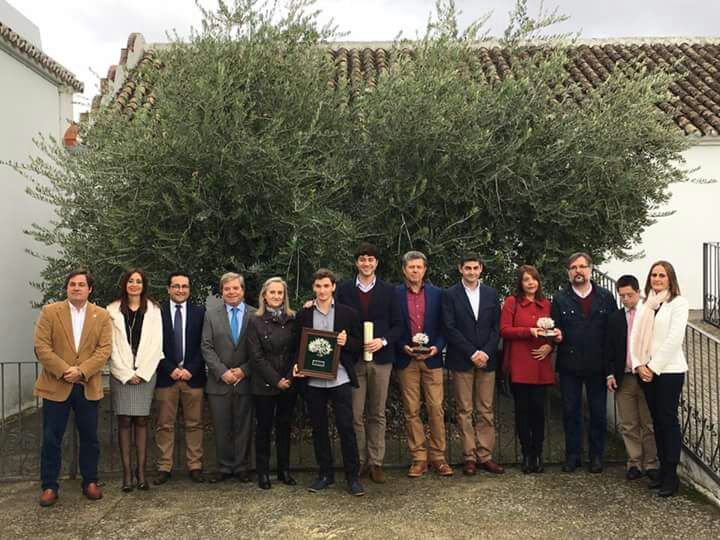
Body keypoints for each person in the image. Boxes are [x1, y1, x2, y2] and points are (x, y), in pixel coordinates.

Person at [33, 269, 112, 506]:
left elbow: (104, 349)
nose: (76, 288)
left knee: (90, 438)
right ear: (67, 288)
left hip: (87, 385)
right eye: (72, 284)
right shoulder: (50, 312)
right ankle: (49, 485)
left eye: (81, 284)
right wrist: (65, 370)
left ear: (90, 289)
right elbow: (41, 346)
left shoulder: (102, 315)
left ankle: (90, 482)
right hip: (56, 384)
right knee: (51, 438)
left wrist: (82, 371)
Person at [335, 242, 402, 484]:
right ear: (357, 263)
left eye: (370, 260)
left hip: (381, 359)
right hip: (353, 360)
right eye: (362, 259)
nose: (366, 263)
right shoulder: (343, 290)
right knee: (355, 414)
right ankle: (359, 460)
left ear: (376, 263)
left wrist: (382, 341)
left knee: (377, 413)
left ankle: (376, 462)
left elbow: (399, 325)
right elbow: (333, 314)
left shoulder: (389, 290)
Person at [296, 268, 365, 496]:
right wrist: (296, 365)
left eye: (326, 286)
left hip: (340, 378)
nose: (322, 290)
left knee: (346, 427)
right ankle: (325, 474)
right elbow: (297, 345)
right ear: (313, 288)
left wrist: (346, 342)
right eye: (318, 286)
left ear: (333, 287)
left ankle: (352, 477)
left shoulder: (348, 313)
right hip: (314, 381)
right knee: (319, 428)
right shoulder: (304, 314)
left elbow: (359, 345)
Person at [551, 252, 616, 473]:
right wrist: (556, 336)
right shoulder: (560, 298)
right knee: (570, 411)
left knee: (598, 412)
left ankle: (596, 456)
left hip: (598, 365)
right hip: (570, 365)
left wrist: (611, 367)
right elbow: (555, 328)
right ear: (568, 272)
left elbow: (612, 333)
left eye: (582, 266)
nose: (578, 271)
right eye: (573, 268)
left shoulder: (606, 297)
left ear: (590, 269)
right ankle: (573, 455)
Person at [442, 253, 504, 476]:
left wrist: (485, 352)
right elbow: (449, 327)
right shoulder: (450, 294)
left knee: (485, 409)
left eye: (475, 268)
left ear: (481, 269)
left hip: (487, 360)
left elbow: (496, 327)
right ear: (460, 269)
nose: (471, 272)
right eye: (467, 268)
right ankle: (469, 456)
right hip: (462, 359)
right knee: (464, 410)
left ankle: (485, 455)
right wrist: (471, 352)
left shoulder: (491, 294)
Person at [632, 261, 688, 497]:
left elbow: (674, 339)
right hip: (646, 371)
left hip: (669, 371)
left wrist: (653, 367)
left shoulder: (678, 303)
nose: (657, 279)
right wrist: (638, 364)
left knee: (668, 421)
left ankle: (671, 475)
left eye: (661, 275)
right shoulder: (645, 304)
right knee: (657, 422)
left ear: (670, 279)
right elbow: (635, 336)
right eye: (653, 275)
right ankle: (663, 471)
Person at [394, 250, 452, 477]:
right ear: (404, 270)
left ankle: (438, 457)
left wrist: (437, 347)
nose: (415, 271)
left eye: (419, 267)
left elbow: (445, 326)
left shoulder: (438, 294)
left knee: (436, 408)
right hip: (406, 359)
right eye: (411, 267)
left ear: (425, 270)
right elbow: (392, 324)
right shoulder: (395, 294)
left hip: (433, 359)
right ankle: (418, 458)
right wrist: (402, 346)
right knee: (411, 410)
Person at [108, 268, 164, 492]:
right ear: (125, 284)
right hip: (120, 374)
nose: (134, 284)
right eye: (130, 281)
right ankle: (127, 474)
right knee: (124, 421)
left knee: (141, 420)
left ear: (144, 285)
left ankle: (141, 472)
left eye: (138, 281)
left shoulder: (154, 310)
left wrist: (141, 373)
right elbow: (110, 346)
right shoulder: (111, 310)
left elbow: (157, 344)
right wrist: (125, 373)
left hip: (145, 373)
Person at [499, 265, 560, 474]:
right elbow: (504, 330)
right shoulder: (511, 302)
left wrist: (550, 345)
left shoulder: (547, 304)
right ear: (520, 283)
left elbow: (555, 331)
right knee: (523, 412)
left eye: (534, 279)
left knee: (539, 412)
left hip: (541, 364)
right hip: (519, 365)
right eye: (526, 279)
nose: (531, 283)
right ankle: (526, 454)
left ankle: (538, 454)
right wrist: (529, 331)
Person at [153, 272, 207, 485]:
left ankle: (195, 466)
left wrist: (190, 369)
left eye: (184, 286)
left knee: (195, 424)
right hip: (167, 377)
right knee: (164, 425)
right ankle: (164, 467)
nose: (180, 290)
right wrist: (170, 368)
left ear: (189, 290)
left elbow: (205, 344)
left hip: (193, 378)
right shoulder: (157, 313)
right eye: (176, 286)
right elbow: (152, 345)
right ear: (168, 289)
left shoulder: (199, 313)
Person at [202, 272, 255, 483]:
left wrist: (244, 370)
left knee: (244, 426)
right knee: (221, 427)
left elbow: (261, 349)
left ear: (242, 290)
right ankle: (224, 467)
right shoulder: (211, 315)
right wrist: (222, 371)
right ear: (222, 292)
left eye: (235, 288)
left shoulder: (255, 314)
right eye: (227, 289)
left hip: (246, 380)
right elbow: (206, 346)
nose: (231, 292)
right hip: (219, 382)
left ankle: (242, 467)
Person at [605, 274, 659, 481]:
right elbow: (608, 348)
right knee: (628, 424)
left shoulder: (650, 314)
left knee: (649, 423)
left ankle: (651, 463)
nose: (626, 299)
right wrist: (610, 373)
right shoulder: (615, 318)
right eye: (622, 296)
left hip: (647, 376)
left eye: (629, 295)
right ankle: (634, 462)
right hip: (625, 376)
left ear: (639, 292)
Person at [247, 277, 299, 490]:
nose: (276, 296)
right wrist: (276, 380)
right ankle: (263, 472)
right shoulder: (255, 321)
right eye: (272, 292)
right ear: (264, 295)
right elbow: (256, 356)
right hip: (264, 384)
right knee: (264, 428)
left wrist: (288, 378)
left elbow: (297, 350)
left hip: (289, 382)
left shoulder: (293, 319)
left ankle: (284, 470)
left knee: (284, 427)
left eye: (280, 293)